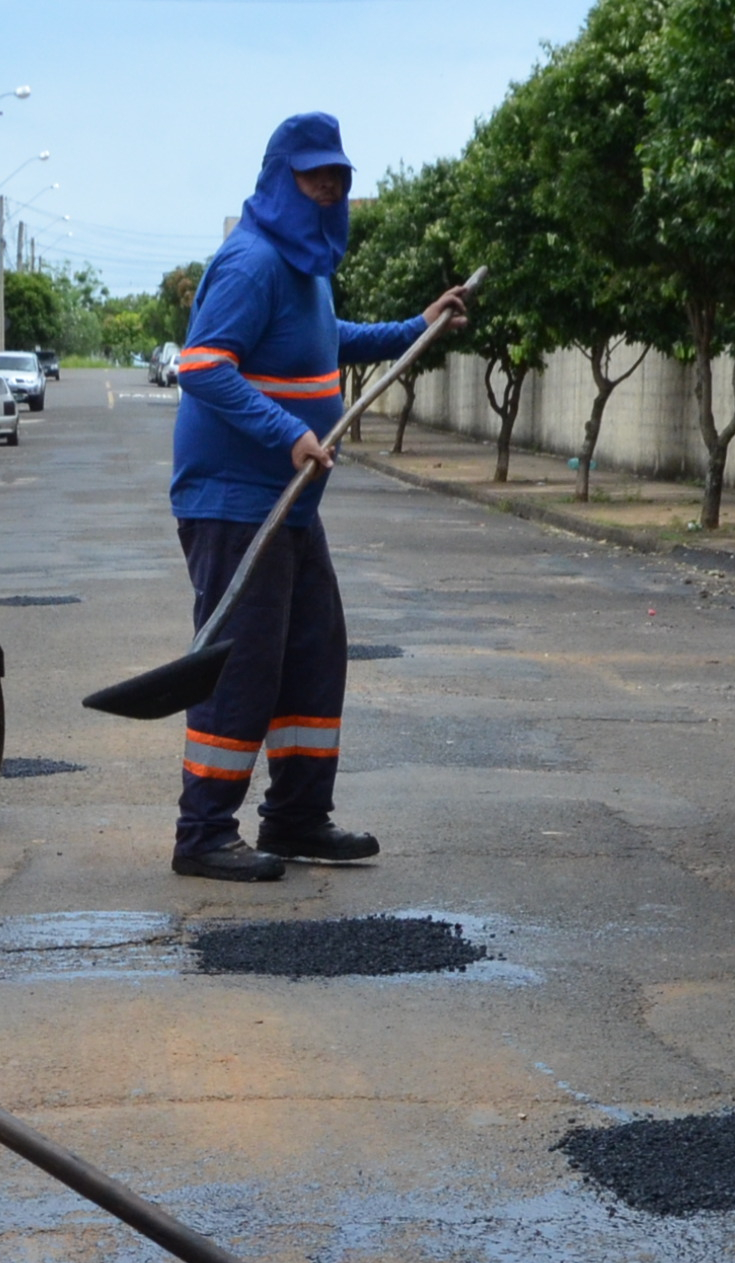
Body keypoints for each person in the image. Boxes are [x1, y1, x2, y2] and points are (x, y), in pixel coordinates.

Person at [165, 115, 469, 883]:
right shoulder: (252, 262)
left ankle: (297, 818)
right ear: (280, 179)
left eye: (337, 177)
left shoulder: (305, 270)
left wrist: (416, 326)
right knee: (243, 666)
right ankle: (203, 833)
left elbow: (329, 341)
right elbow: (202, 364)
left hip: (292, 499)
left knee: (311, 657)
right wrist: (286, 433)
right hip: (238, 500)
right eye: (313, 177)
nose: (328, 189)